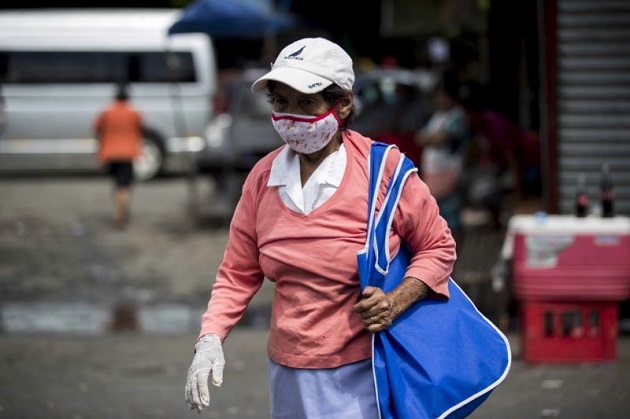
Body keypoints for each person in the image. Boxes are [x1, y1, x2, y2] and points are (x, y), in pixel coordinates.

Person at [184, 37, 456, 418]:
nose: (291, 117)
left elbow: (438, 247)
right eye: (280, 102)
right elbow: (237, 274)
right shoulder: (263, 179)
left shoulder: (385, 173)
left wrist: (396, 301)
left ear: (342, 104)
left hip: (366, 369)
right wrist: (210, 339)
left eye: (306, 103)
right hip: (288, 370)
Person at [414, 71, 470, 243]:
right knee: (437, 219)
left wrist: (430, 138)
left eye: (440, 95)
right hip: (434, 175)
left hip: (450, 174)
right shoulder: (438, 116)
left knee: (452, 220)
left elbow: (440, 138)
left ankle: (456, 263)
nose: (437, 99)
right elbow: (420, 138)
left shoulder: (457, 116)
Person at [93, 84, 143, 229]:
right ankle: (121, 214)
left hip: (110, 152)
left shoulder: (107, 111)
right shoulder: (133, 112)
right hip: (128, 153)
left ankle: (119, 212)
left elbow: (97, 129)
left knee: (117, 184)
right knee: (125, 185)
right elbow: (141, 129)